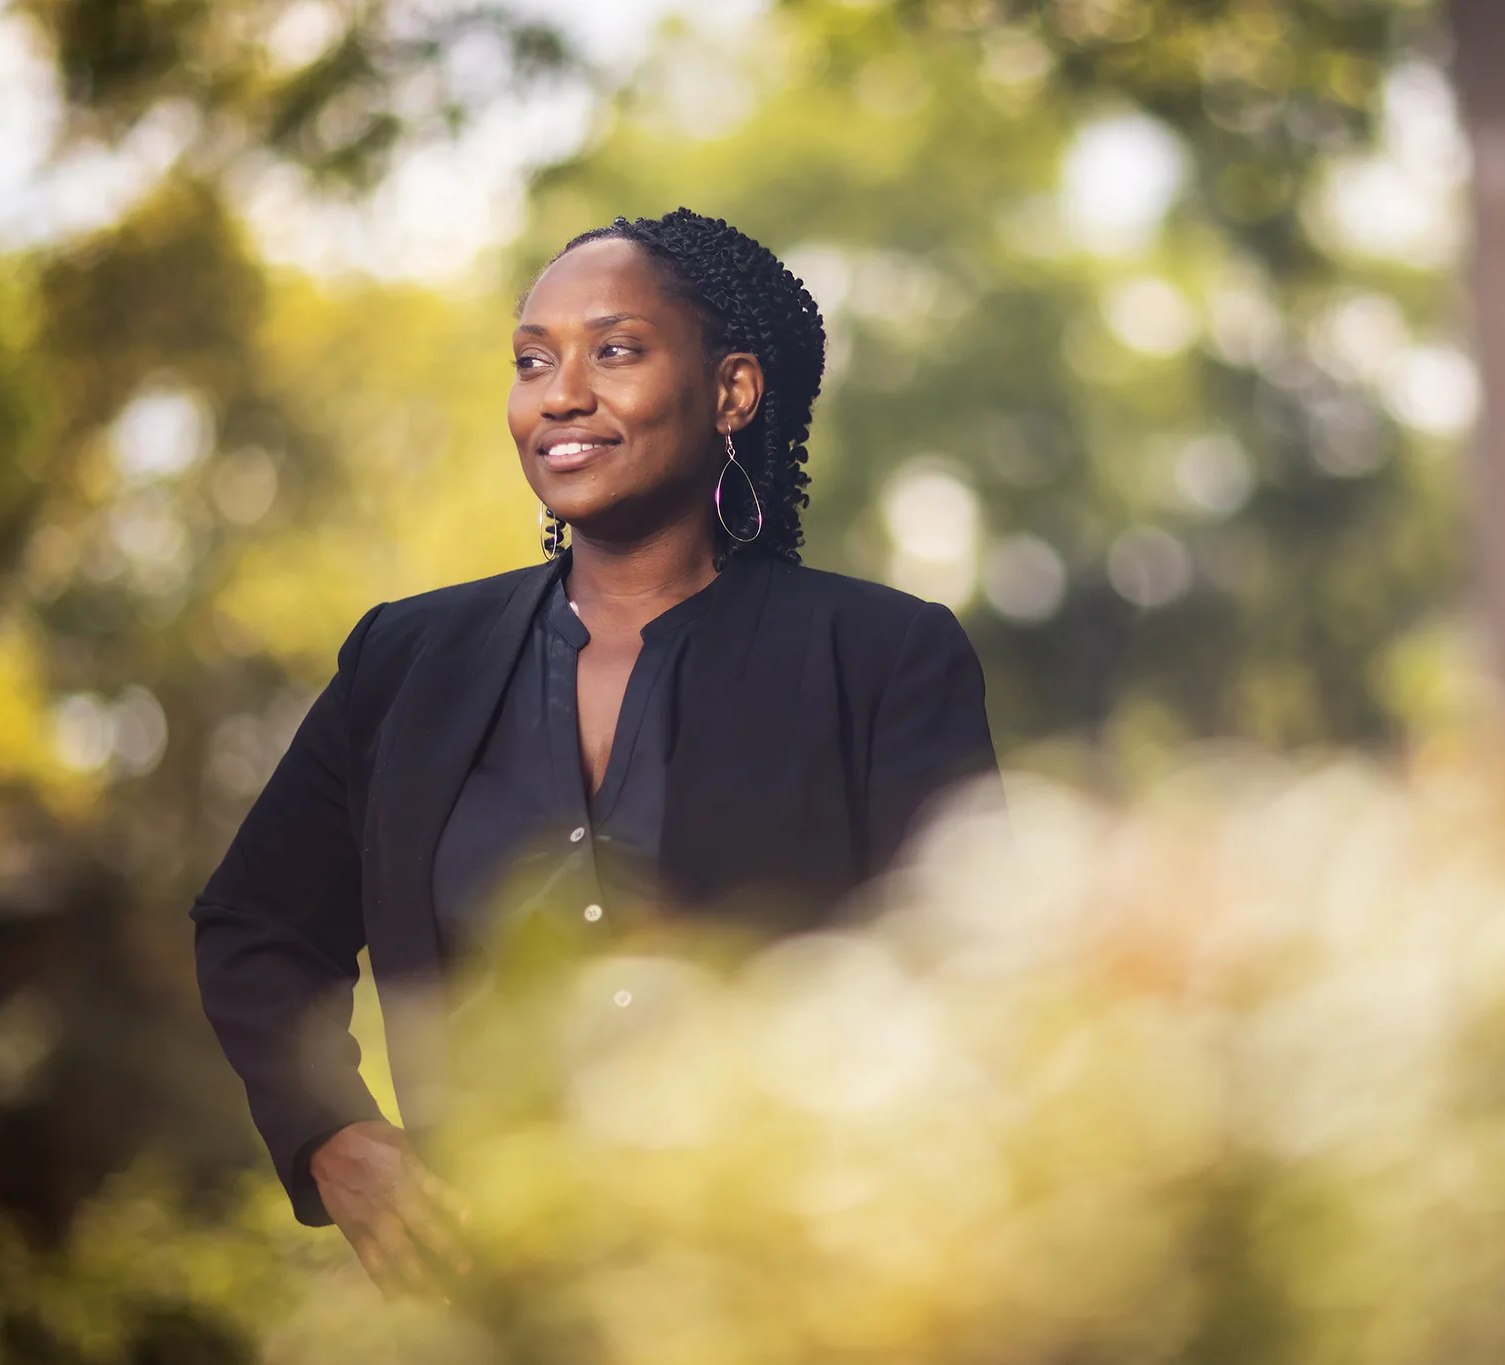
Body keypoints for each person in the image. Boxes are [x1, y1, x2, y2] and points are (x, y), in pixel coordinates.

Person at [190, 208, 997, 1295]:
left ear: (731, 392)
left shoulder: (882, 658)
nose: (558, 395)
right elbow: (256, 926)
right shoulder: (405, 659)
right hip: (486, 1309)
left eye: (613, 351)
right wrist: (333, 1138)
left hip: (784, 1303)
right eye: (531, 361)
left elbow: (969, 992)